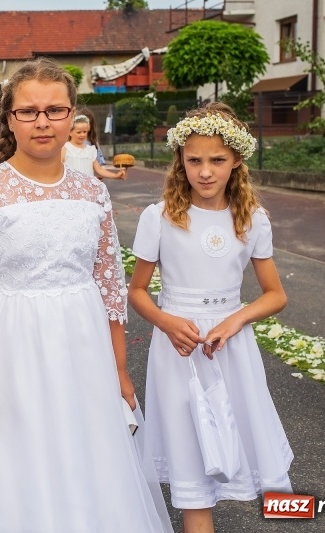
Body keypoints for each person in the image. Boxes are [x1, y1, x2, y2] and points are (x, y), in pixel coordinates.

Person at [0, 57, 173, 533]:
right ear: (10, 118)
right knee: (22, 458)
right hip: (13, 353)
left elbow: (111, 287)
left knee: (88, 452)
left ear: (73, 115)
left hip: (83, 347)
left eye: (55, 110)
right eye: (29, 111)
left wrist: (118, 370)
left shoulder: (93, 193)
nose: (43, 122)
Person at [127, 102, 293, 533]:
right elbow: (138, 292)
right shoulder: (159, 217)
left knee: (238, 440)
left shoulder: (252, 219)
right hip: (178, 349)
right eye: (194, 160)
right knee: (192, 470)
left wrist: (236, 320)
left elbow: (275, 295)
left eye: (217, 160)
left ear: (236, 160)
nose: (205, 171)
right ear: (180, 161)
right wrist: (166, 322)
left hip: (230, 347)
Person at [62, 114, 126, 180]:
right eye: (78, 132)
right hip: (71, 186)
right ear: (70, 132)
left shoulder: (90, 150)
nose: (82, 135)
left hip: (87, 186)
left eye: (85, 132)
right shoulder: (65, 148)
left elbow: (99, 169)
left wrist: (115, 176)